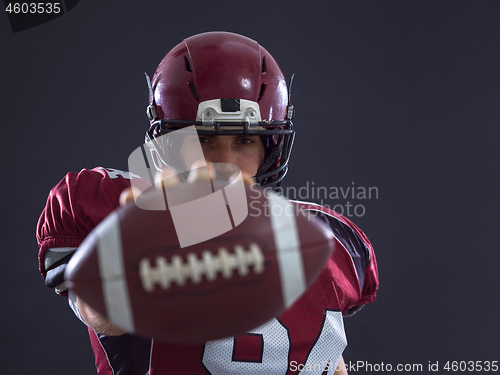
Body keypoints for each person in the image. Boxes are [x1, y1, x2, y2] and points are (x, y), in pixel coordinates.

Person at [37, 31, 378, 375]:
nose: (225, 162)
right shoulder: (123, 211)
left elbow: (326, 359)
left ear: (270, 148)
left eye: (244, 139)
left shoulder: (331, 238)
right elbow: (103, 315)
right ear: (168, 143)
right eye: (204, 139)